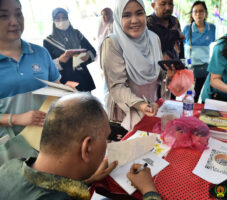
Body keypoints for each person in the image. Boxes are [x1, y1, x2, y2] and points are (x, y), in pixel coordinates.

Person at [0, 92, 161, 200]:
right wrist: (148, 190)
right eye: (106, 139)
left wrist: (88, 180)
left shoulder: (10, 167)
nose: (107, 145)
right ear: (87, 148)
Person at [100, 0, 175, 140]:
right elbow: (117, 86)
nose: (134, 20)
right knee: (128, 156)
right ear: (117, 17)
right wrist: (140, 104)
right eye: (126, 15)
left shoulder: (153, 39)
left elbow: (156, 74)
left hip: (151, 109)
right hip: (124, 113)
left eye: (139, 13)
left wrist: (168, 75)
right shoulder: (112, 43)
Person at [0, 0, 61, 164]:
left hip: (49, 139)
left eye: (18, 13)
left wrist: (66, 93)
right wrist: (16, 118)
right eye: (4, 15)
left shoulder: (40, 53)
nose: (14, 21)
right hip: (11, 148)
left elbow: (57, 91)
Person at [43, 8, 96, 92]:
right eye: (58, 18)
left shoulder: (77, 34)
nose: (62, 20)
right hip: (65, 82)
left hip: (83, 78)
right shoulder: (48, 41)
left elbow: (92, 51)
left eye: (64, 17)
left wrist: (88, 55)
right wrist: (59, 60)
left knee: (87, 103)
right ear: (53, 20)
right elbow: (47, 66)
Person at [183, 1, 216, 103]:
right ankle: (190, 116)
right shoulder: (187, 28)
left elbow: (213, 44)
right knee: (192, 95)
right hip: (191, 68)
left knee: (206, 94)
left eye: (201, 11)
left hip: (206, 66)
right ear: (192, 14)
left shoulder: (212, 28)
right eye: (195, 11)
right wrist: (188, 66)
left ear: (205, 12)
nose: (198, 14)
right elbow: (184, 50)